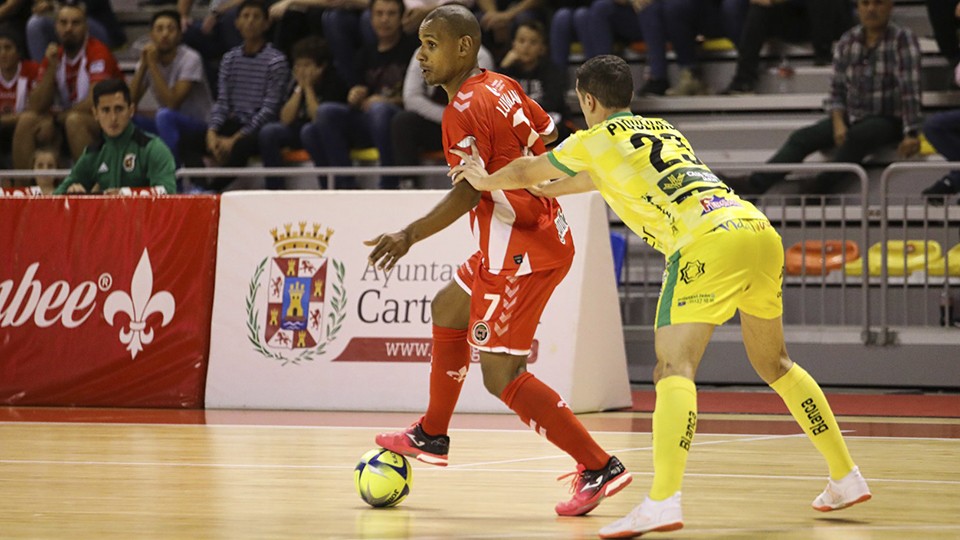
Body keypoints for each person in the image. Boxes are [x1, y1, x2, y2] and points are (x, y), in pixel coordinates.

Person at [450, 54, 872, 538]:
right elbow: (585, 182)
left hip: (704, 243)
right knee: (775, 364)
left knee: (673, 369)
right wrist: (544, 188)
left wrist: (484, 179)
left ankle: (662, 502)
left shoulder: (594, 138)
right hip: (755, 230)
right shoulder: (661, 129)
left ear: (588, 101)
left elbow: (530, 171)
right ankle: (845, 476)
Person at [366, 5, 632, 517]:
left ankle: (599, 464)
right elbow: (547, 133)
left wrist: (408, 235)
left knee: (500, 374)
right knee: (448, 308)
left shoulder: (461, 110)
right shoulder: (502, 84)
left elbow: (468, 195)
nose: (421, 55)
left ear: (464, 46)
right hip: (526, 235)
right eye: (420, 44)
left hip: (520, 253)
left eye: (431, 43)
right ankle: (432, 434)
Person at [746, 0, 921, 195]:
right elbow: (837, 89)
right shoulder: (848, 40)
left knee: (859, 135)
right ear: (858, 7)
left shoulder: (903, 39)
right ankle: (754, 185)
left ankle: (819, 187)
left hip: (888, 118)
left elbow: (910, 90)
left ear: (890, 6)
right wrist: (838, 121)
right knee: (802, 138)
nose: (871, 9)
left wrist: (911, 133)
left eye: (878, 3)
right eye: (865, 3)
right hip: (852, 115)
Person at [301, 0, 417, 189]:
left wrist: (387, 100)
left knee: (379, 109)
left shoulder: (414, 50)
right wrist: (354, 96)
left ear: (402, 18)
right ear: (370, 19)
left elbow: (420, 99)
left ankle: (389, 184)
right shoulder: (364, 53)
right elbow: (357, 96)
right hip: (368, 121)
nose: (384, 20)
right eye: (379, 14)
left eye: (391, 14)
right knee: (323, 115)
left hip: (397, 122)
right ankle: (344, 186)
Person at [12, 2, 124, 169]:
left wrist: (61, 118)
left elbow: (97, 99)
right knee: (28, 120)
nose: (68, 28)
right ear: (56, 26)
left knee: (74, 121)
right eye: (63, 23)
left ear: (86, 26)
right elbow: (36, 105)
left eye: (75, 23)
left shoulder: (98, 51)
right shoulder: (54, 54)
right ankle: (22, 191)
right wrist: (50, 68)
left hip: (107, 119)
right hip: (67, 118)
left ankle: (89, 188)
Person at [204, 0, 289, 190]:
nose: (250, 21)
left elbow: (269, 109)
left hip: (258, 127)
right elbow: (223, 101)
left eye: (256, 17)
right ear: (237, 23)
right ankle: (196, 185)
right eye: (245, 16)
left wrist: (235, 138)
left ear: (267, 24)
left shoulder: (276, 61)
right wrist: (212, 132)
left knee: (242, 146)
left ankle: (211, 190)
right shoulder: (230, 59)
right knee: (190, 139)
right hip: (235, 122)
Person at [54, 79, 177, 194]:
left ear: (131, 110)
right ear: (95, 113)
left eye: (119, 109)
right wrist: (71, 194)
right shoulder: (93, 154)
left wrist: (125, 194)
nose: (113, 118)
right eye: (106, 110)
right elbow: (57, 197)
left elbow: (167, 192)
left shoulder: (153, 148)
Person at [258, 36, 348, 189]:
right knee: (269, 132)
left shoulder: (333, 82)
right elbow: (285, 119)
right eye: (297, 65)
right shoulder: (295, 82)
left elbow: (318, 118)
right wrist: (299, 89)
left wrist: (308, 88)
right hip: (297, 128)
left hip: (321, 132)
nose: (301, 71)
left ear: (321, 67)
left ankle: (330, 185)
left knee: (309, 131)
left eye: (306, 65)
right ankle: (274, 189)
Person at [129, 10, 213, 168]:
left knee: (165, 115)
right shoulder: (148, 59)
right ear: (151, 35)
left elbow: (172, 103)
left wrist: (152, 65)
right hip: (166, 126)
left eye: (171, 29)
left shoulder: (191, 58)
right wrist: (143, 68)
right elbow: (128, 106)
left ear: (180, 35)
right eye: (159, 29)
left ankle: (173, 178)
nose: (165, 34)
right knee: (125, 120)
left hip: (200, 126)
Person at [0, 25, 40, 168]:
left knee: (29, 121)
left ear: (19, 51)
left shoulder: (33, 70)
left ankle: (21, 184)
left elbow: (35, 111)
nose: (2, 53)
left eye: (8, 48)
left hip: (25, 127)